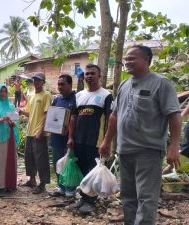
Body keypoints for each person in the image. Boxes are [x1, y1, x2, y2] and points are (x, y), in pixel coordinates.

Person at [99, 45, 181, 225]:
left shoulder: (161, 83)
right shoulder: (124, 85)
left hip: (149, 151)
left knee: (146, 198)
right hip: (125, 151)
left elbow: (174, 115)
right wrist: (106, 141)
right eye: (126, 59)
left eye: (131, 58)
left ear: (146, 60)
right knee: (128, 196)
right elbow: (114, 115)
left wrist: (174, 145)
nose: (127, 62)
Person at [67, 64, 113, 214]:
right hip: (79, 140)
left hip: (95, 142)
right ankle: (82, 199)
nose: (89, 76)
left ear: (99, 76)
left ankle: (91, 201)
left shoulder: (106, 95)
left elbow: (109, 120)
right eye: (87, 74)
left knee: (93, 172)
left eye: (93, 73)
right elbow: (73, 118)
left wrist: (107, 141)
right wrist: (70, 137)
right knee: (81, 171)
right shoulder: (79, 95)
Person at [18, 72, 52, 194]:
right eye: (35, 80)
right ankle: (32, 180)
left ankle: (42, 183)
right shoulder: (31, 95)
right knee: (29, 157)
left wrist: (41, 131)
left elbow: (48, 114)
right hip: (29, 131)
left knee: (41, 158)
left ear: (43, 82)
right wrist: (21, 112)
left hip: (40, 132)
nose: (36, 82)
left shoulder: (46, 95)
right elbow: (29, 112)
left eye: (39, 80)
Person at [48, 74, 76, 198]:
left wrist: (71, 135)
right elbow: (51, 117)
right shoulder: (57, 100)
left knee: (68, 165)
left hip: (68, 139)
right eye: (58, 84)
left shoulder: (76, 99)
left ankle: (70, 189)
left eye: (62, 84)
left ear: (70, 84)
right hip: (56, 138)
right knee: (57, 163)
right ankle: (61, 187)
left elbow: (76, 119)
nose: (60, 87)